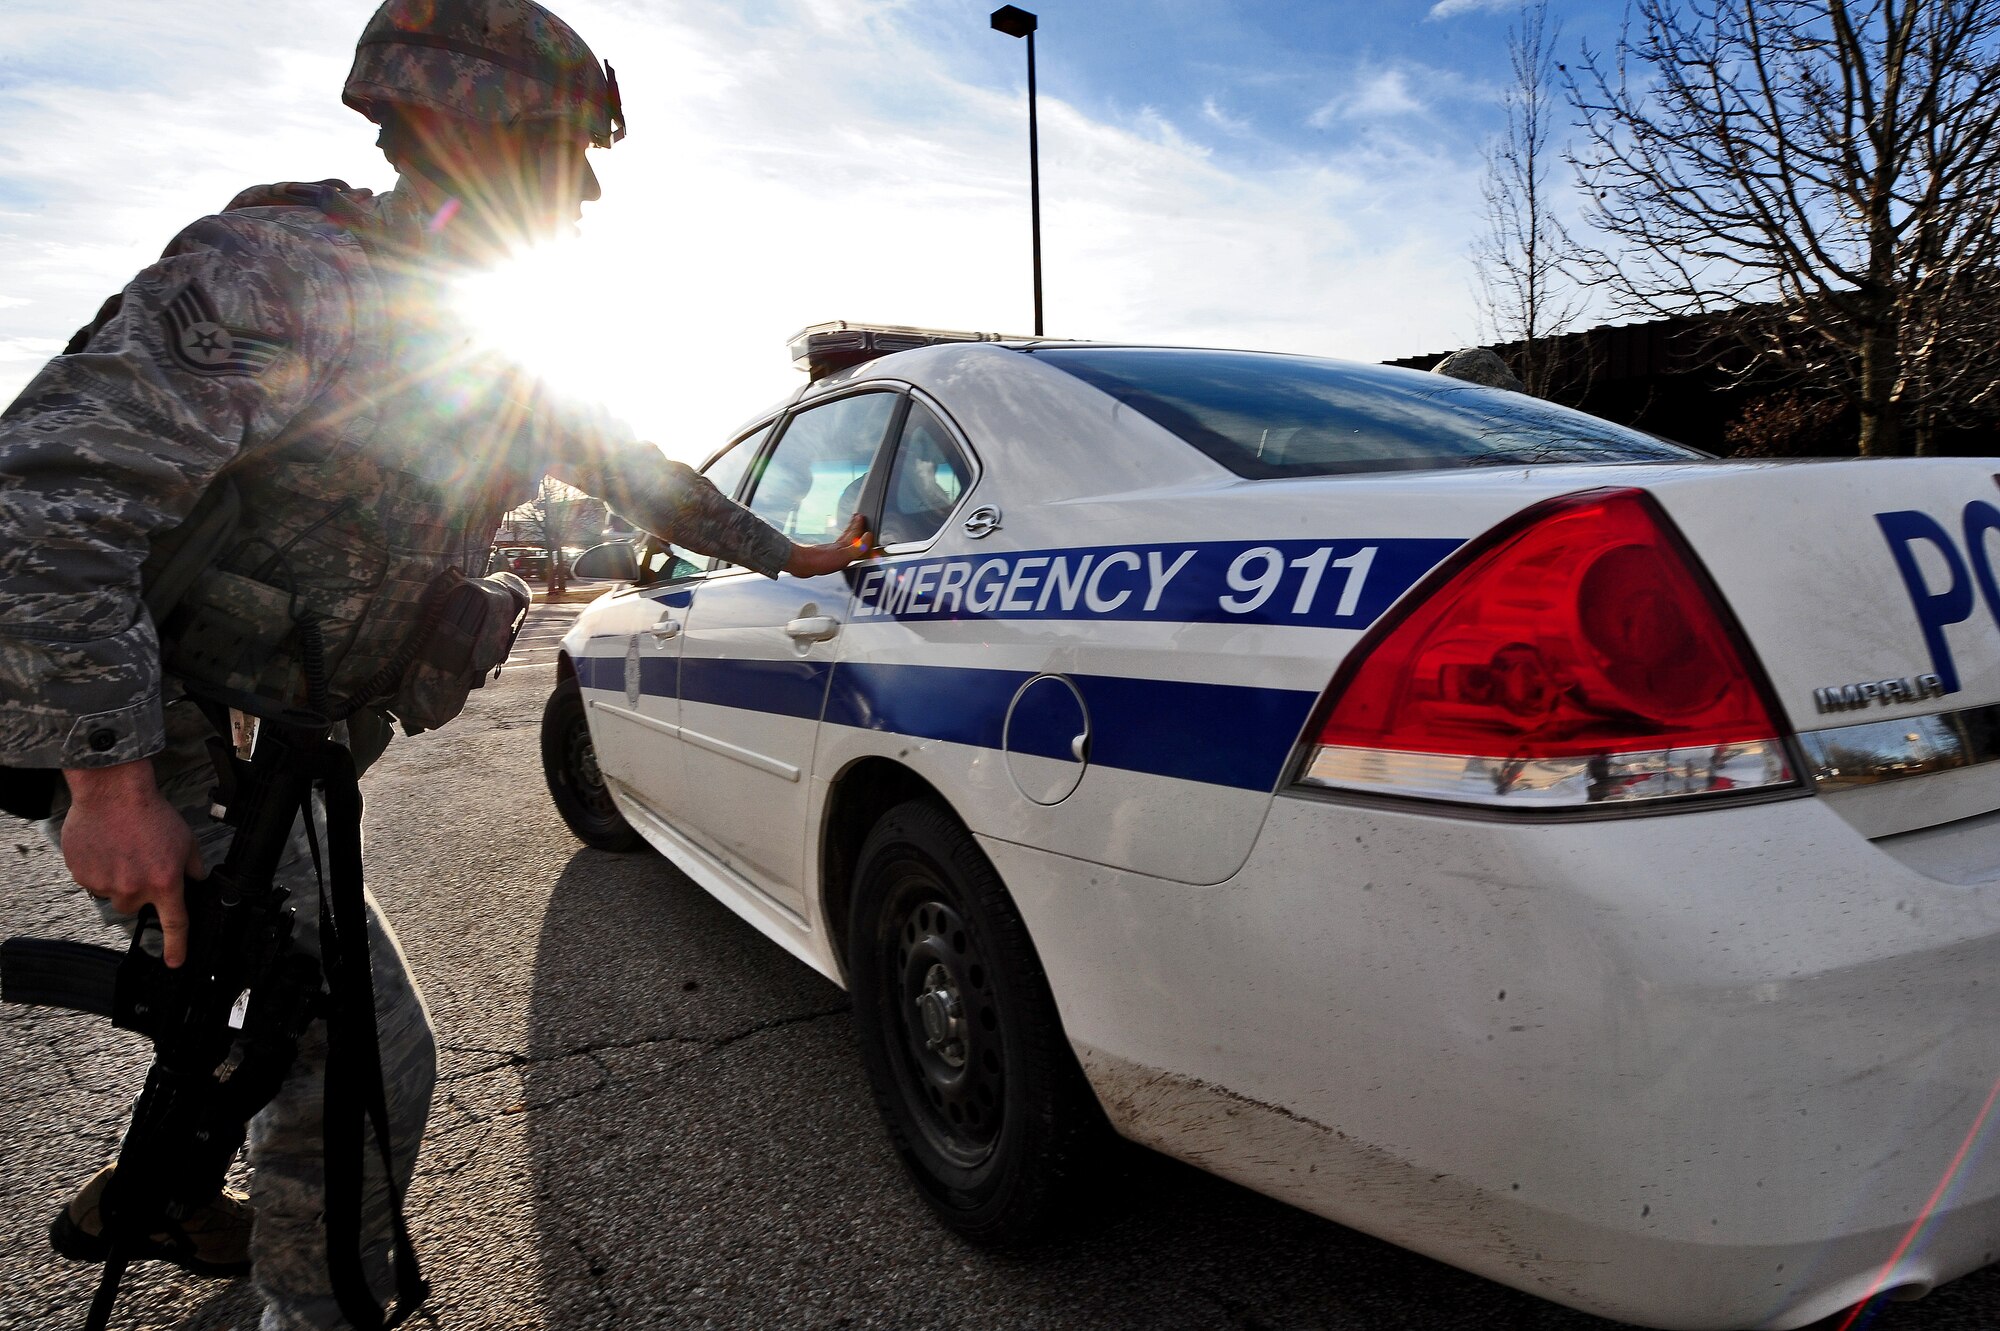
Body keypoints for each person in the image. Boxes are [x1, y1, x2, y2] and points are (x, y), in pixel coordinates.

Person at [0, 1, 871, 1326]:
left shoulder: (488, 338)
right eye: (565, 152)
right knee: (363, 1050)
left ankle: (167, 1186)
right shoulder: (283, 271)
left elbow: (645, 477)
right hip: (176, 726)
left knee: (253, 998)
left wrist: (792, 558)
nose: (582, 190)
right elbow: (45, 497)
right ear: (478, 128)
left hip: (288, 739)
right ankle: (317, 1309)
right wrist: (109, 781)